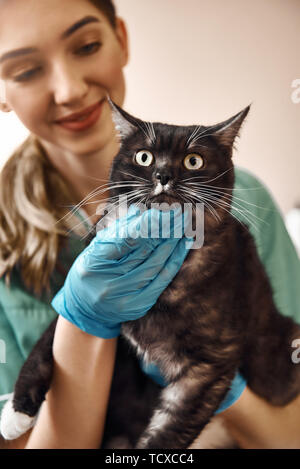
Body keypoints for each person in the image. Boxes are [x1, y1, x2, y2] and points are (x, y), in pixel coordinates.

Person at [0, 0, 299, 450]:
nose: (69, 90)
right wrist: (82, 325)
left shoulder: (241, 205)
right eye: (25, 71)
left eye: (86, 46)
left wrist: (221, 389)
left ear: (121, 39)